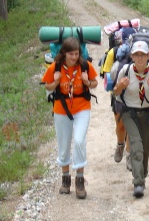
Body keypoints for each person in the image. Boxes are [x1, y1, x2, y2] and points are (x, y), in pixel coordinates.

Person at [42, 37, 98, 199]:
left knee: (80, 140)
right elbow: (47, 86)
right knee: (64, 143)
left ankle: (79, 180)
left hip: (82, 107)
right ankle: (65, 179)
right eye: (71, 54)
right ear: (64, 54)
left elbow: (94, 83)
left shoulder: (84, 66)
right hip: (61, 108)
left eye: (76, 54)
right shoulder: (56, 67)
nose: (74, 57)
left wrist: (88, 83)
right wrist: (56, 81)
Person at [113, 41, 149, 198]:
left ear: (148, 56)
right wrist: (120, 86)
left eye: (143, 55)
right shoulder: (126, 70)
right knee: (136, 145)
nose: (140, 58)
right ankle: (138, 183)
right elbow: (115, 91)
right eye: (137, 55)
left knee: (145, 147)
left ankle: (142, 173)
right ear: (132, 56)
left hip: (148, 112)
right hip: (129, 111)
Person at [102, 27, 136, 171]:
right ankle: (120, 144)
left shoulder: (139, 54)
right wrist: (118, 87)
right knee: (120, 126)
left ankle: (129, 156)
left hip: (134, 95)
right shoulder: (113, 53)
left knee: (131, 127)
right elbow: (106, 76)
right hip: (118, 95)